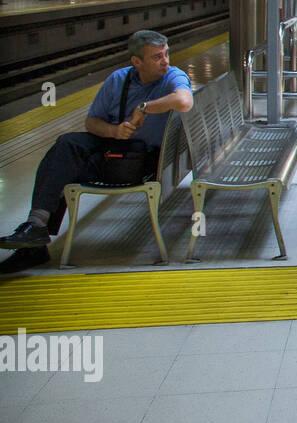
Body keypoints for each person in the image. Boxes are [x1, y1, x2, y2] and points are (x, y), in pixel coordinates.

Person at [0, 30, 193, 273]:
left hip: (142, 164)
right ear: (136, 62)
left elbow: (185, 101)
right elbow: (92, 123)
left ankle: (33, 243)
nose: (165, 60)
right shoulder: (117, 80)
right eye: (157, 57)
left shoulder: (173, 76)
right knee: (66, 145)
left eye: (166, 54)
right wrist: (114, 131)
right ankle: (35, 226)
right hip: (114, 154)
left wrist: (144, 107)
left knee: (63, 168)